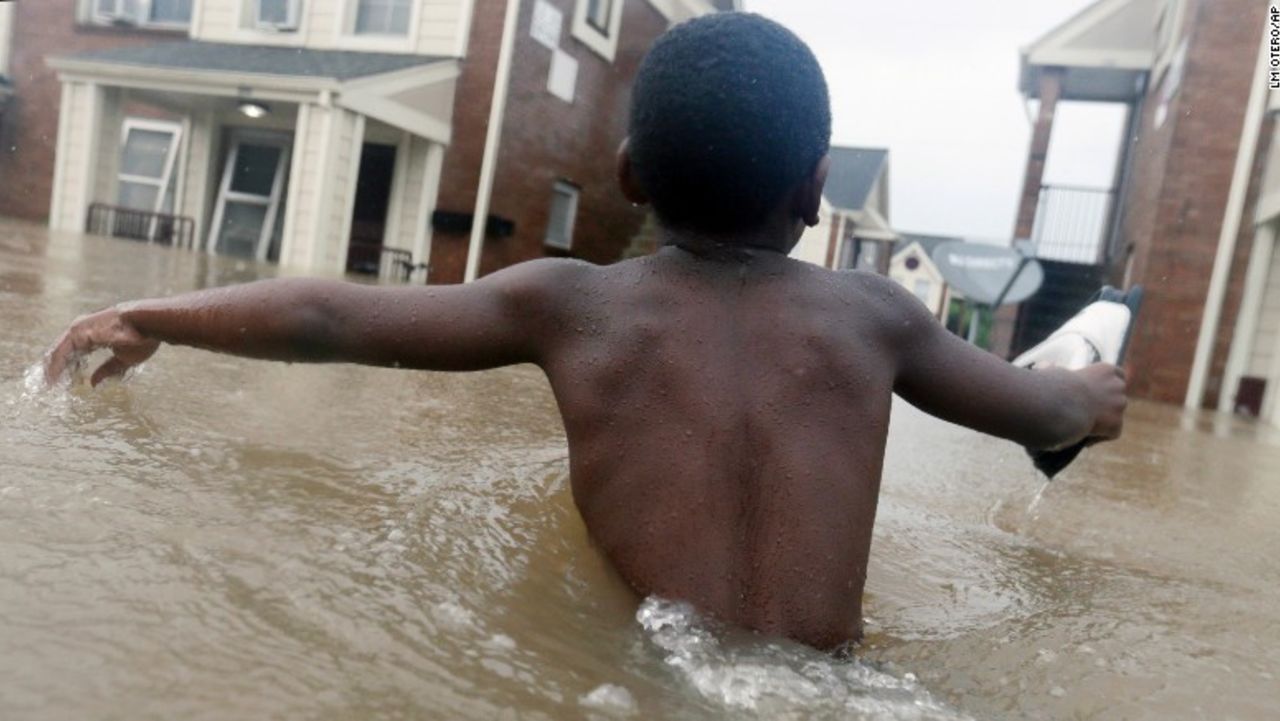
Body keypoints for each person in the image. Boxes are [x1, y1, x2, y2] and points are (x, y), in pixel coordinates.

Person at [42, 13, 1127, 651]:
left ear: (624, 175)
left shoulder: (573, 304)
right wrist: (1095, 393)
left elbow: (327, 313)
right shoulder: (877, 315)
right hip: (843, 694)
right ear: (810, 190)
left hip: (654, 671)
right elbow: (1044, 410)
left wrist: (144, 312)